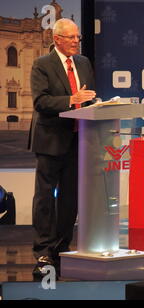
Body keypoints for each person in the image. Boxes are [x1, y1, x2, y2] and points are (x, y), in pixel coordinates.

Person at [28, 18, 96, 279]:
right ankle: (43, 250)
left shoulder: (83, 63)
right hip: (50, 139)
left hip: (79, 139)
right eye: (71, 37)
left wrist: (98, 104)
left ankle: (61, 248)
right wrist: (71, 100)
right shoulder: (41, 64)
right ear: (57, 39)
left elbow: (89, 96)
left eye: (78, 37)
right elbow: (41, 101)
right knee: (45, 197)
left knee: (70, 198)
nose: (76, 41)